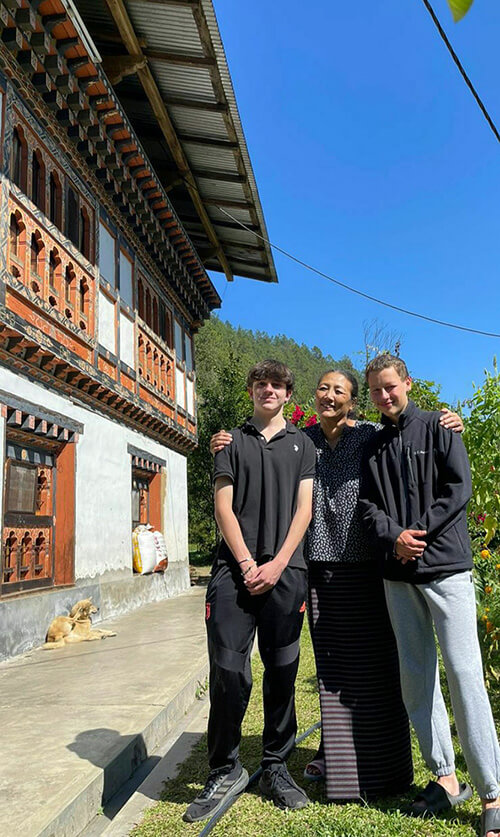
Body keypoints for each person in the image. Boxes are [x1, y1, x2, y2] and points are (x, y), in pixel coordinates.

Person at [211, 367, 463, 801]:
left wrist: (449, 420)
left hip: (368, 562)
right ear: (312, 396)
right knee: (330, 668)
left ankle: (383, 763)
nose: (330, 396)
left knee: (375, 666)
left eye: (340, 391)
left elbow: (407, 427)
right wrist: (224, 439)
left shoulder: (368, 434)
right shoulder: (300, 439)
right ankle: (336, 756)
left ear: (352, 400)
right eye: (324, 389)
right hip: (319, 564)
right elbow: (263, 445)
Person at [359, 353, 500, 837]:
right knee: (417, 678)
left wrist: (416, 532)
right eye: (376, 390)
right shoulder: (373, 446)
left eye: (390, 386)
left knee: (463, 674)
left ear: (407, 383)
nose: (385, 395)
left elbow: (458, 489)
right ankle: (445, 775)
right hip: (397, 576)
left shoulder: (441, 427)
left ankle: (492, 793)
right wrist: (393, 536)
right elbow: (368, 506)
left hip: (446, 570)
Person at [183, 360, 316, 823]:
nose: (269, 390)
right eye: (261, 384)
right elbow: (222, 505)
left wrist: (278, 564)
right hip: (232, 574)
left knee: (283, 669)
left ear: (287, 393)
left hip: (287, 572)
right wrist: (245, 563)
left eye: (277, 385)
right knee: (227, 669)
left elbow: (305, 509)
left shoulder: (304, 444)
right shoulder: (230, 442)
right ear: (251, 391)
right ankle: (224, 768)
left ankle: (277, 765)